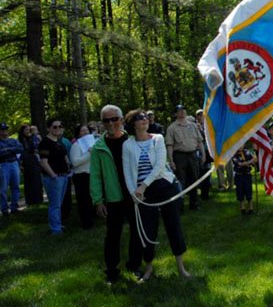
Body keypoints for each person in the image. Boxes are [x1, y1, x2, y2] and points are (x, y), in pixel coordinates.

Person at [122, 109, 190, 281]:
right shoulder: (128, 144)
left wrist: (142, 187)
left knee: (173, 225)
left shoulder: (157, 139)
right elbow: (128, 173)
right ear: (132, 123)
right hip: (142, 194)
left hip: (164, 186)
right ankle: (149, 268)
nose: (145, 119)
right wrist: (134, 194)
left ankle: (181, 268)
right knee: (147, 229)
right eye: (139, 118)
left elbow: (160, 165)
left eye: (146, 117)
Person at [90, 104, 142, 284]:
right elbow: (95, 176)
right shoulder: (98, 147)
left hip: (134, 194)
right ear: (102, 123)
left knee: (137, 232)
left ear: (121, 120)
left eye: (114, 119)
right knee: (112, 235)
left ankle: (134, 266)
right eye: (106, 120)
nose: (111, 123)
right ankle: (111, 271)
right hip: (113, 198)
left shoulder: (133, 141)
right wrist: (98, 201)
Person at [165, 105, 205, 212]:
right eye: (179, 110)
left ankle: (194, 204)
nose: (182, 112)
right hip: (179, 156)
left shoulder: (193, 125)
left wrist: (203, 155)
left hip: (192, 155)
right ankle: (180, 205)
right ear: (175, 114)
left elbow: (200, 141)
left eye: (183, 110)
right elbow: (169, 145)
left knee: (194, 179)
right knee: (180, 181)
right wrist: (171, 160)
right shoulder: (171, 128)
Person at [38, 119, 70, 234]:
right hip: (53, 178)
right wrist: (54, 176)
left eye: (60, 126)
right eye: (54, 127)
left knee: (58, 204)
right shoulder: (45, 142)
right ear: (48, 128)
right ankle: (55, 229)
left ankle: (58, 225)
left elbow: (65, 158)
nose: (58, 128)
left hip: (64, 176)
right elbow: (43, 162)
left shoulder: (59, 142)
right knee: (55, 205)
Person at [69, 124, 96, 229]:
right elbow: (75, 162)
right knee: (83, 201)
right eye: (82, 131)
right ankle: (86, 223)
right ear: (78, 133)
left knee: (90, 200)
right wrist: (90, 154)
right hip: (81, 176)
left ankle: (92, 219)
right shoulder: (76, 145)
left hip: (91, 175)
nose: (85, 132)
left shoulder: (93, 143)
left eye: (86, 130)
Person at [1, 122, 24, 216]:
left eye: (6, 129)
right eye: (2, 129)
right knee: (2, 189)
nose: (5, 131)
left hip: (14, 163)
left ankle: (14, 207)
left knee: (16, 187)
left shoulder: (13, 140)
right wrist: (11, 150)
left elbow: (20, 149)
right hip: (2, 165)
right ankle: (4, 210)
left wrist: (6, 150)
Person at [18, 124, 43, 205]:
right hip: (26, 162)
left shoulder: (32, 138)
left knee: (37, 180)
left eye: (29, 129)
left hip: (34, 160)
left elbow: (37, 147)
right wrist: (21, 164)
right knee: (29, 182)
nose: (28, 131)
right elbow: (19, 153)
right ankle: (30, 201)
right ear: (22, 131)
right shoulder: (20, 141)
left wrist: (36, 136)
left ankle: (38, 200)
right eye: (26, 130)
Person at [232, 144, 257, 215]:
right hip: (239, 176)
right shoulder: (234, 154)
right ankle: (242, 209)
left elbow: (253, 162)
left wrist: (254, 160)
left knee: (248, 190)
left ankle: (251, 209)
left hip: (247, 175)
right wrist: (250, 161)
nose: (240, 146)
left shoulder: (247, 152)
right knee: (240, 191)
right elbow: (239, 164)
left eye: (241, 145)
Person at [194, 109, 213, 200]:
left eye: (201, 115)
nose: (200, 116)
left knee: (206, 170)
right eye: (198, 115)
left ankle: (205, 193)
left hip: (207, 152)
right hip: (197, 152)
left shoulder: (208, 126)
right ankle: (198, 191)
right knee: (198, 172)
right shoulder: (193, 126)